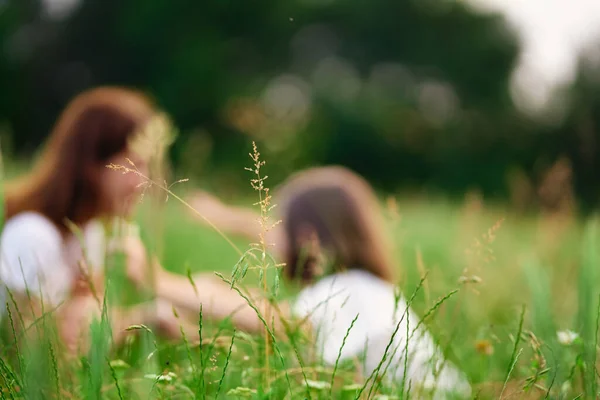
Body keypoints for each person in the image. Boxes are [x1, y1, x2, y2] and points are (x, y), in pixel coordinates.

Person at [128, 166, 471, 397]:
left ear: (308, 236)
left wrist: (159, 280)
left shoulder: (351, 288)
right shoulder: (363, 285)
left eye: (278, 223)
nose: (269, 235)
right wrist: (224, 219)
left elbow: (278, 321)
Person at [0, 86, 172, 352]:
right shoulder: (32, 234)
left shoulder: (88, 235)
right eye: (134, 164)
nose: (143, 182)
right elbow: (38, 357)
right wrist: (142, 320)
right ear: (92, 164)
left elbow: (88, 324)